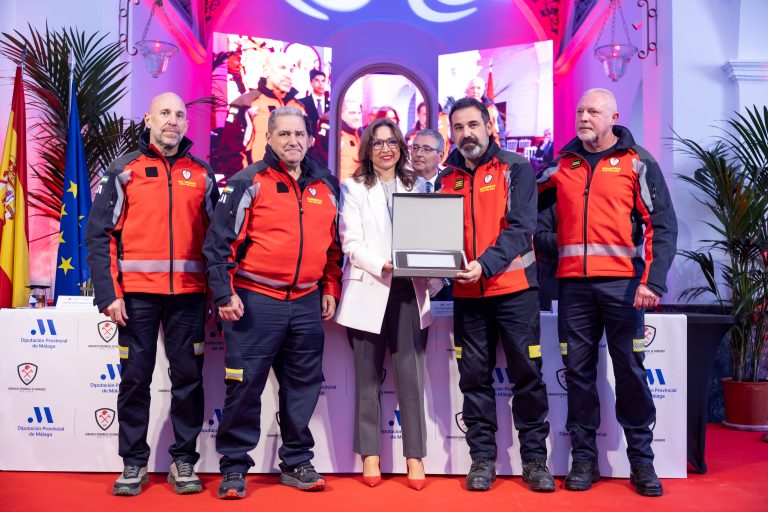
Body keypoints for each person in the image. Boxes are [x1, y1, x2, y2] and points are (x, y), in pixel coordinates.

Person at [537, 88, 677, 497]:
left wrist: (652, 281)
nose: (584, 116)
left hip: (623, 286)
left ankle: (641, 462)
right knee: (578, 375)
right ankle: (584, 459)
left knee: (631, 372)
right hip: (573, 288)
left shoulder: (637, 163)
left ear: (613, 116)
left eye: (593, 111)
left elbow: (661, 226)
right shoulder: (560, 167)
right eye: (579, 110)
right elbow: (524, 211)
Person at [203, 106, 342, 499]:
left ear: (311, 139)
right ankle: (233, 467)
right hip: (254, 301)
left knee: (303, 388)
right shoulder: (248, 182)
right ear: (269, 138)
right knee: (244, 388)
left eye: (299, 134)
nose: (293, 141)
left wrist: (330, 287)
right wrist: (224, 292)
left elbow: (334, 249)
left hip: (306, 303)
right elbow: (219, 245)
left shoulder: (327, 186)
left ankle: (297, 462)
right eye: (284, 135)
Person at [85, 92, 219, 496]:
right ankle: (134, 463)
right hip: (136, 298)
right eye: (164, 113)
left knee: (189, 381)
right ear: (148, 119)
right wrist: (109, 294)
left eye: (179, 115)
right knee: (134, 380)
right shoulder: (125, 170)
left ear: (186, 125)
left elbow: (218, 240)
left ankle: (183, 461)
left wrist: (217, 290)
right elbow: (99, 234)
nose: (173, 121)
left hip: (190, 298)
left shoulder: (202, 173)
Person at [439, 97, 554, 493]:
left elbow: (521, 228)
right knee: (474, 380)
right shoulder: (445, 179)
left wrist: (484, 265)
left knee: (528, 375)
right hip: (468, 294)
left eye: (473, 125)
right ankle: (482, 460)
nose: (466, 134)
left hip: (515, 291)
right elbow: (438, 237)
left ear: (489, 125)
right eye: (458, 127)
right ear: (451, 132)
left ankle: (535, 460)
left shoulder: (516, 168)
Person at [335, 117, 433, 491]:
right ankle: (370, 456)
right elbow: (351, 243)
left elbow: (430, 239)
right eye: (377, 143)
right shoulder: (354, 187)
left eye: (392, 142)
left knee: (410, 379)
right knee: (366, 379)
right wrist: (383, 265)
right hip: (369, 289)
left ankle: (415, 457)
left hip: (409, 291)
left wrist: (435, 270)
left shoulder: (420, 186)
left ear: (401, 147)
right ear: (367, 149)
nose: (386, 148)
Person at [409, 128, 452, 302]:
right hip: (406, 282)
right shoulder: (398, 185)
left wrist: (443, 276)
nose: (418, 154)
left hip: (446, 285)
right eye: (415, 148)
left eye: (426, 149)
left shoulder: (453, 185)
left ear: (440, 155)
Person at [242, 52, 306, 166]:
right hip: (260, 180)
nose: (288, 75)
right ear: (266, 71)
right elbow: (231, 153)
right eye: (282, 68)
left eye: (291, 70)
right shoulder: (247, 103)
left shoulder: (300, 107)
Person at [534, 205, 558, 310]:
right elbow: (539, 237)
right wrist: (569, 239)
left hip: (601, 284)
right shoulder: (555, 207)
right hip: (554, 287)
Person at [464, 77, 503, 144]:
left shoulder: (491, 109)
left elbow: (500, 135)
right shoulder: (458, 110)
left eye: (478, 88)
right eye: (472, 88)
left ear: (483, 90)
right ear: (467, 90)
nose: (475, 91)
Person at [298, 69, 330, 140]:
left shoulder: (332, 106)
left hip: (326, 146)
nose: (321, 84)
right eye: (317, 80)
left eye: (323, 81)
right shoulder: (301, 103)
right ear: (311, 83)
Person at [337, 100, 364, 181]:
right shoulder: (337, 136)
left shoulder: (360, 134)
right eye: (352, 113)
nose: (357, 117)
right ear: (341, 114)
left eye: (359, 113)